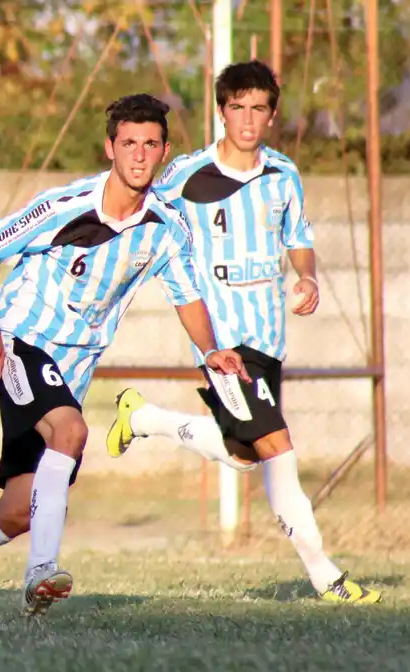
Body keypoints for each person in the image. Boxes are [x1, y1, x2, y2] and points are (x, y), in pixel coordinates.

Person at [0, 94, 250, 616]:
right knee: (70, 431)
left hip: (71, 371)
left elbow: (186, 296)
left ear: (164, 152)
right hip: (22, 343)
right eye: (129, 143)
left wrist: (211, 351)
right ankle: (41, 572)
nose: (139, 154)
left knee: (18, 509)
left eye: (150, 144)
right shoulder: (67, 205)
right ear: (110, 148)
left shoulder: (166, 227)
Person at [106, 61, 381, 604]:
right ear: (221, 111)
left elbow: (298, 236)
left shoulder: (283, 174)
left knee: (244, 454)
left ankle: (143, 418)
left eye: (258, 108)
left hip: (269, 339)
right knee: (278, 448)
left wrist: (307, 277)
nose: (248, 119)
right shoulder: (186, 176)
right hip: (224, 344)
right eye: (237, 108)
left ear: (272, 115)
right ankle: (327, 577)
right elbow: (135, 209)